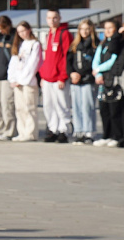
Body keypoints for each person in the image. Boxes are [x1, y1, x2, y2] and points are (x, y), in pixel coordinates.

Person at [92, 19, 124, 148]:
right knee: (104, 110)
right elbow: (96, 60)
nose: (107, 31)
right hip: (102, 79)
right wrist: (97, 73)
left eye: (111, 28)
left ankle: (117, 135)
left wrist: (99, 69)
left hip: (112, 78)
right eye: (105, 28)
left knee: (114, 109)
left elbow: (113, 59)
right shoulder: (102, 44)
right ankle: (106, 135)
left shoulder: (118, 43)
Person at [37, 9, 73, 144]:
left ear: (59, 18)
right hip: (47, 77)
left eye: (55, 18)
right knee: (48, 105)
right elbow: (47, 56)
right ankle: (53, 129)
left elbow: (65, 56)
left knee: (62, 104)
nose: (52, 21)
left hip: (59, 77)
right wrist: (43, 75)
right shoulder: (48, 34)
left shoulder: (64, 34)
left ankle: (63, 130)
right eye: (49, 18)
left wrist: (63, 76)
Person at [8, 21, 42, 142]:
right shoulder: (20, 45)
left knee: (29, 108)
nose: (22, 34)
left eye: (23, 31)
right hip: (18, 82)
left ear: (29, 30)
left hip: (28, 82)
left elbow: (33, 64)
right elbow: (14, 63)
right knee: (20, 108)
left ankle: (30, 133)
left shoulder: (35, 44)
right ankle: (22, 132)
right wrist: (13, 79)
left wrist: (22, 80)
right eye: (19, 32)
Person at [69, 18, 101, 145]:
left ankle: (89, 132)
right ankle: (79, 131)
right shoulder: (75, 45)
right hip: (76, 81)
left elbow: (94, 62)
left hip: (88, 80)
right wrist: (72, 73)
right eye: (82, 29)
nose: (85, 31)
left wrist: (82, 74)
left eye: (87, 29)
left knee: (87, 107)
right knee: (76, 107)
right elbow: (69, 61)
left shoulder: (95, 45)